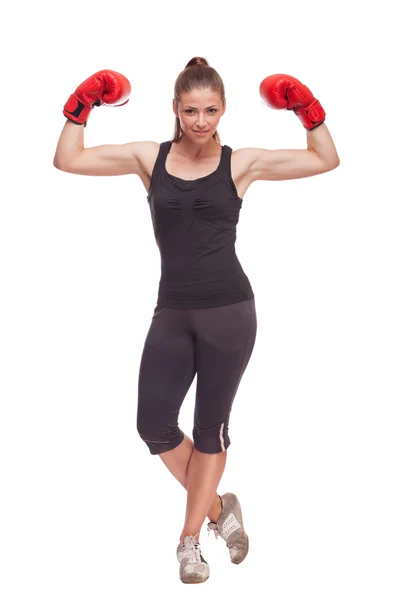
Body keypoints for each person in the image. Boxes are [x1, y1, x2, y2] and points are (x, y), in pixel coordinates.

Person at [53, 57, 340, 584]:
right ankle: (218, 510)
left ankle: (188, 542)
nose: (201, 121)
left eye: (211, 110)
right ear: (176, 110)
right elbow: (67, 159)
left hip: (230, 311)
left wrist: (306, 109)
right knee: (153, 425)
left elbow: (325, 159)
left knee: (210, 430)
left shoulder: (241, 163)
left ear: (224, 109)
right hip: (172, 311)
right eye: (191, 110)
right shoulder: (149, 158)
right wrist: (83, 103)